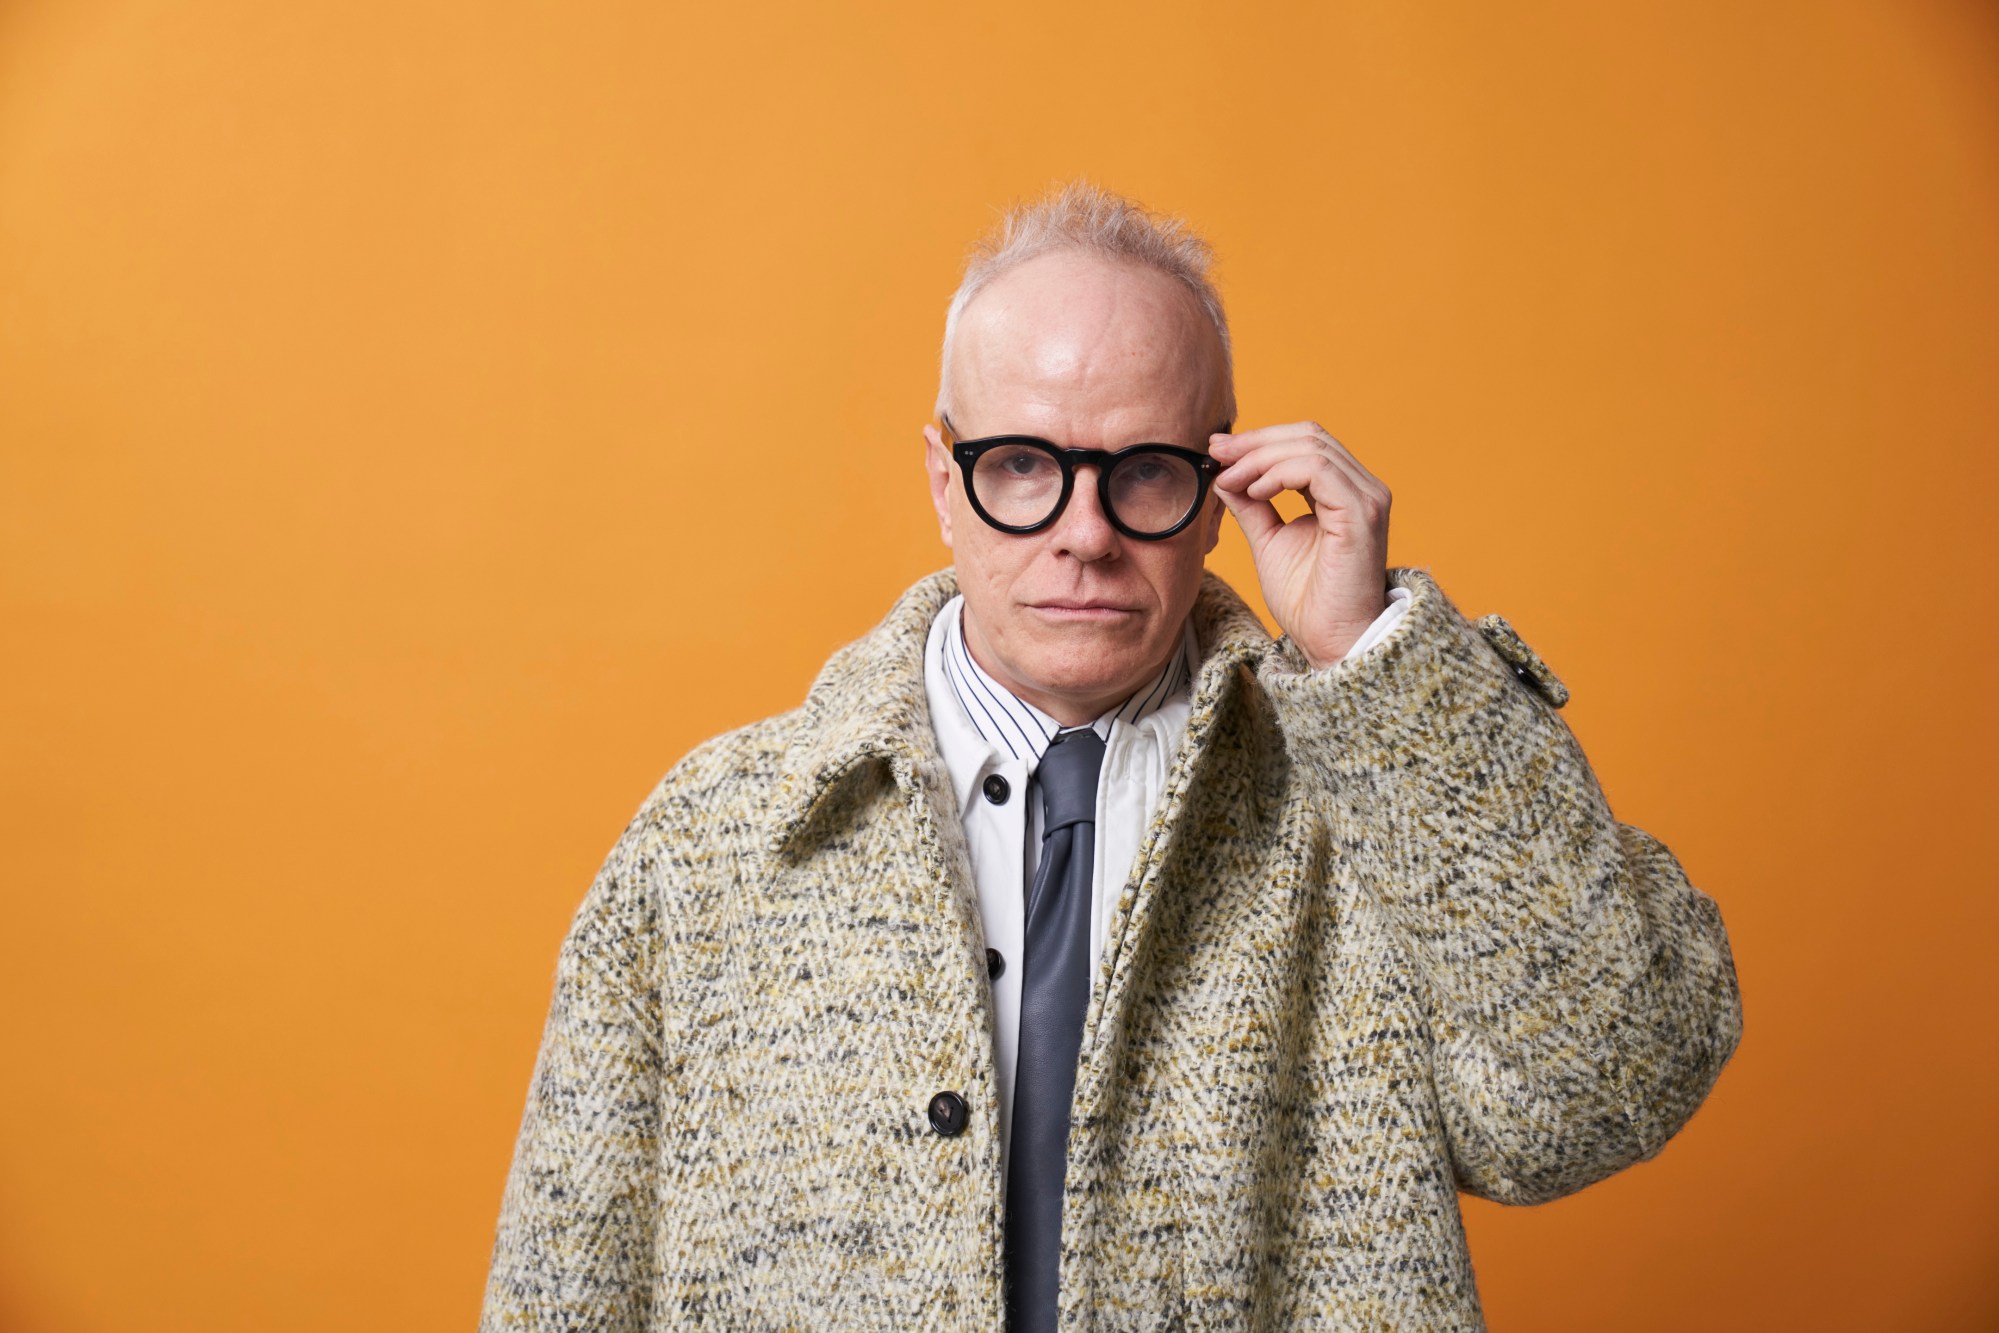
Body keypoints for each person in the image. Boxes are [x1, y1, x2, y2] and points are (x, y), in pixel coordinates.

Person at [479, 182, 1742, 1332]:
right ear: (941, 477)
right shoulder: (713, 840)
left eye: (1141, 472)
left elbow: (1593, 1096)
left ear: (1219, 485)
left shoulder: (1367, 797)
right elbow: (559, 1289)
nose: (1082, 535)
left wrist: (1372, 662)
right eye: (1021, 465)